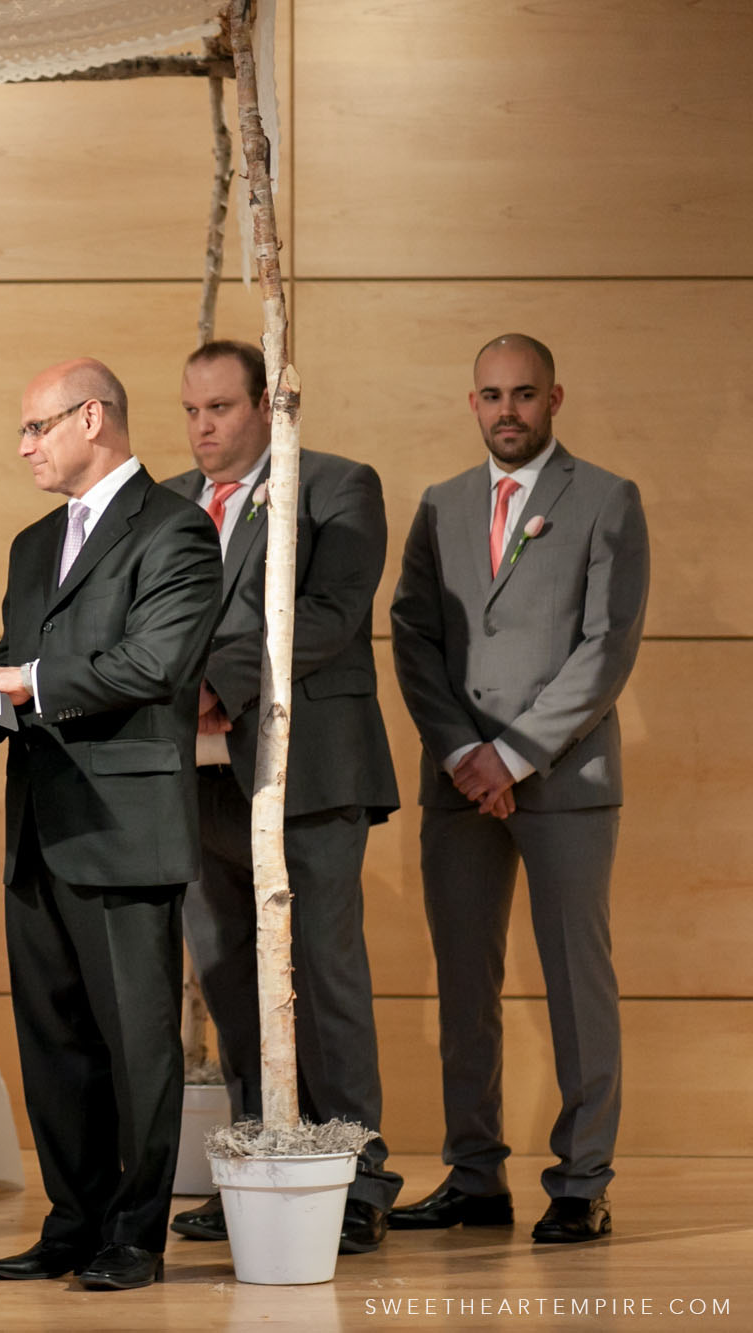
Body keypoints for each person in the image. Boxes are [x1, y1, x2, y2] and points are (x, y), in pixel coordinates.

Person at [0, 357, 219, 1292]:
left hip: (127, 824)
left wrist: (27, 684)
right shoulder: (35, 543)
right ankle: (72, 1220)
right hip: (39, 822)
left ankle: (133, 1235)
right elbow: (9, 665)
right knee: (55, 1041)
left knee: (137, 1044)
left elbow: (154, 662)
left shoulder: (176, 529)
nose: (24, 446)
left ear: (93, 417)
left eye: (37, 427)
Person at [388, 334, 649, 1245]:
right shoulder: (441, 505)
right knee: (465, 982)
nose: (508, 410)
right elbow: (412, 635)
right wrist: (465, 750)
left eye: (524, 395)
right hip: (458, 780)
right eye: (492, 395)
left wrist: (515, 753)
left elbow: (606, 647)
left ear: (555, 399)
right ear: (472, 404)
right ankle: (474, 1177)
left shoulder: (608, 499)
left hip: (565, 779)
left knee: (578, 983)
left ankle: (581, 1181)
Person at [161, 340, 403, 1253]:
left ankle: (361, 1175)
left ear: (268, 405)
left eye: (220, 408)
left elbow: (330, 615)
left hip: (308, 776)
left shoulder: (334, 484)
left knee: (324, 974)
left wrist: (217, 682)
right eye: (190, 411)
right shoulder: (173, 503)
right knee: (227, 977)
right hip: (197, 776)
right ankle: (261, 1169)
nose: (203, 428)